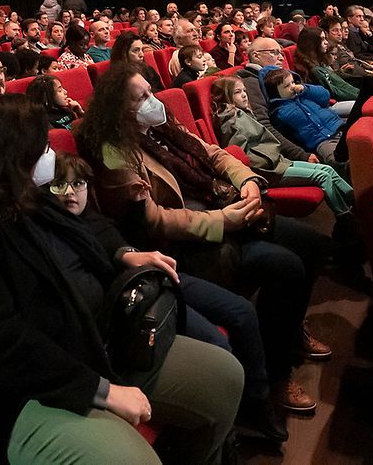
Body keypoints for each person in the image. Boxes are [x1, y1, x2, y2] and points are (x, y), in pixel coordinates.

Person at [0, 94, 245, 464]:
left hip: (93, 343)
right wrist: (101, 391)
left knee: (224, 378)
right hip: (9, 393)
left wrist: (122, 252)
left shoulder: (26, 199)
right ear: (6, 157)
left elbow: (88, 227)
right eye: (40, 149)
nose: (50, 157)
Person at [78, 63, 331, 412]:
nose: (153, 101)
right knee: (286, 266)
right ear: (119, 109)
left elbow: (214, 153)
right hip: (193, 239)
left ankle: (288, 333)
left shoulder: (163, 128)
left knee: (313, 244)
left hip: (224, 207)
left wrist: (248, 181)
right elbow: (154, 221)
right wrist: (222, 221)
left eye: (151, 92)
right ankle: (276, 373)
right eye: (142, 98)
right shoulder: (115, 152)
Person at [48, 151, 287, 443]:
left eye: (78, 184)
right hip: (134, 299)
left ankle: (258, 402)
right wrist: (126, 254)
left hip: (156, 277)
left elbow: (121, 241)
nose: (70, 193)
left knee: (242, 312)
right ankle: (230, 432)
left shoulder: (95, 218)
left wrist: (135, 216)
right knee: (218, 342)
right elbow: (111, 251)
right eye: (60, 185)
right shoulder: (53, 230)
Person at [210, 76, 355, 224]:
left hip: (278, 160)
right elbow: (240, 155)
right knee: (323, 176)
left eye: (244, 91)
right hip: (268, 170)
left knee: (327, 169)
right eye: (237, 92)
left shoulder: (243, 112)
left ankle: (356, 200)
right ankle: (346, 218)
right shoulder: (230, 120)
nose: (244, 95)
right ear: (226, 96)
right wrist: (265, 161)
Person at [261, 67, 345, 166]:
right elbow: (287, 137)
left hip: (338, 127)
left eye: (293, 82)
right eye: (287, 86)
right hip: (321, 142)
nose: (293, 87)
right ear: (275, 92)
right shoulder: (279, 112)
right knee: (338, 160)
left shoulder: (304, 94)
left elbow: (325, 95)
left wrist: (305, 89)